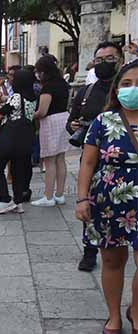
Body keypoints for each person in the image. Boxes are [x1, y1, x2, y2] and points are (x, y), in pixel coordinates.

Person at [75, 60, 138, 334]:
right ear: (116, 89)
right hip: (109, 202)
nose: (132, 89)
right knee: (112, 259)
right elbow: (88, 162)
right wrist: (81, 199)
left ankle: (136, 310)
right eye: (126, 84)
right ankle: (114, 313)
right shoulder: (103, 121)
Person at [69, 41, 125, 271]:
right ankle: (90, 251)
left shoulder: (128, 89)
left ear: (121, 60)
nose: (104, 64)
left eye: (110, 59)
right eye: (99, 60)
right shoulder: (86, 92)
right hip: (94, 162)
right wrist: (72, 126)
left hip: (127, 164)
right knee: (90, 206)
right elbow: (71, 121)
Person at [0, 68, 37, 215]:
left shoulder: (17, 96)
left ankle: (4, 199)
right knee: (18, 171)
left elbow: (0, 112)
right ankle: (18, 202)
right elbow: (10, 110)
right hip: (25, 139)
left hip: (10, 138)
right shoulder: (33, 97)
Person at [31, 55, 71, 207]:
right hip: (64, 119)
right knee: (61, 158)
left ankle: (48, 197)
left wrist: (30, 115)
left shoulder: (48, 87)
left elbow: (42, 111)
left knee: (49, 160)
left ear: (43, 71)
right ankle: (59, 195)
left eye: (38, 71)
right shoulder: (63, 84)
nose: (37, 74)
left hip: (51, 122)